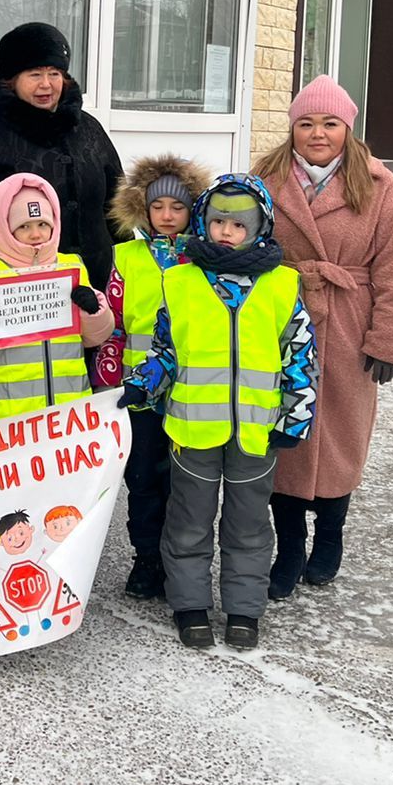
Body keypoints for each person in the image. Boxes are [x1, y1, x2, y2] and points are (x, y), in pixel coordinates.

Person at [119, 174, 316, 652]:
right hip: (192, 431)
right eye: (218, 221)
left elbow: (300, 356)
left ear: (261, 227)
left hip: (257, 432)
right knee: (188, 520)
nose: (227, 231)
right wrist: (145, 381)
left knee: (248, 524)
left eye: (238, 224)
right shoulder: (180, 281)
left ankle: (244, 609)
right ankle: (189, 604)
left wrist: (296, 416)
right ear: (204, 224)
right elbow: (165, 349)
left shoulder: (281, 284)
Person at [249, 75, 393, 597]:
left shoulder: (380, 187)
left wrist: (387, 340)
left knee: (341, 432)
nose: (317, 134)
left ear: (348, 127)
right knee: (284, 429)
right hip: (279, 318)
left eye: (329, 123)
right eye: (306, 123)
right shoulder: (263, 178)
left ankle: (331, 536)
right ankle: (290, 545)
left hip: (348, 320)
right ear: (292, 128)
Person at [0, 22, 123, 308]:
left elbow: (118, 205)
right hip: (16, 302)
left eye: (54, 74)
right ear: (11, 79)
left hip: (93, 296)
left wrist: (124, 276)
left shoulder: (89, 130)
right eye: (35, 74)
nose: (46, 84)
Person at [97, 154, 213, 600]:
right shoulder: (125, 257)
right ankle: (146, 559)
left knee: (184, 484)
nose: (167, 216)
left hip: (192, 391)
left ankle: (180, 562)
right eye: (157, 206)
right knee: (143, 480)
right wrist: (109, 382)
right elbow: (115, 324)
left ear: (192, 211)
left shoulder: (203, 259)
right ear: (142, 209)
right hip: (139, 393)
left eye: (177, 208)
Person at [0, 173, 113, 422]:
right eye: (24, 226)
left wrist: (93, 311)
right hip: (7, 419)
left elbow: (96, 337)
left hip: (68, 414)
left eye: (42, 224)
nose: (36, 234)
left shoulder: (71, 268)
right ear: (5, 227)